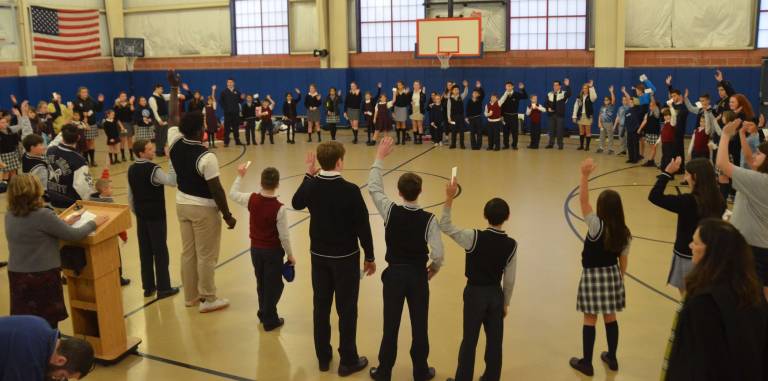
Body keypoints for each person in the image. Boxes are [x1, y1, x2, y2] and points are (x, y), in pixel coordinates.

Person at [291, 141, 375, 377]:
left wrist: (308, 174)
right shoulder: (350, 190)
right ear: (339, 162)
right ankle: (348, 360)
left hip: (319, 256)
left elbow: (296, 203)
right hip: (345, 258)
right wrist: (369, 256)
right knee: (347, 309)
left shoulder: (312, 186)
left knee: (321, 306)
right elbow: (363, 226)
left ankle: (323, 357)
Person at [367, 136, 444, 381]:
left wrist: (380, 157)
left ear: (399, 192)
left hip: (394, 275)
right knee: (420, 324)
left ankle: (384, 370)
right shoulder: (429, 219)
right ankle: (420, 370)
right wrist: (434, 268)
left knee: (390, 324)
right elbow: (438, 253)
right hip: (417, 276)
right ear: (420, 192)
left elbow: (374, 187)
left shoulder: (390, 211)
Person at [167, 70, 237, 313]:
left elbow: (173, 116)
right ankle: (208, 298)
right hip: (203, 209)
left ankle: (191, 296)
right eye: (204, 125)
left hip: (181, 205)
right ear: (199, 131)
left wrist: (174, 89)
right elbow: (216, 190)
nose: (207, 126)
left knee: (188, 253)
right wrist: (227, 216)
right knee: (206, 255)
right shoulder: (207, 157)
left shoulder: (175, 140)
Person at [663, 219, 768, 381]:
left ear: (712, 252)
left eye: (696, 243)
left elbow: (692, 362)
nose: (691, 246)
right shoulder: (753, 291)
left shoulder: (703, 303)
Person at [5, 174, 107, 328]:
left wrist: (62, 223)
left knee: (25, 321)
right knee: (47, 321)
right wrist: (94, 223)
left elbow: (35, 233)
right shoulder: (43, 215)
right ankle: (49, 349)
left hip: (17, 275)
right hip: (41, 275)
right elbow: (75, 235)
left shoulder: (9, 214)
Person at [440, 183, 517, 381]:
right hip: (495, 295)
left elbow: (446, 226)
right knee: (494, 342)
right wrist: (506, 302)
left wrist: (449, 197)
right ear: (507, 217)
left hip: (475, 293)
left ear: (485, 215)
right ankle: (491, 377)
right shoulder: (511, 245)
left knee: (469, 340)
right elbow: (509, 279)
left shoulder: (473, 237)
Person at [569, 158, 631, 376]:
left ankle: (586, 362)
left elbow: (583, 202)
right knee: (610, 317)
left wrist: (584, 176)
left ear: (601, 208)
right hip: (613, 275)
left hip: (592, 276)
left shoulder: (596, 225)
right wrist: (619, 279)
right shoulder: (624, 231)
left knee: (589, 318)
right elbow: (623, 261)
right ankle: (612, 357)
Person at [229, 164, 295, 331]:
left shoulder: (251, 199)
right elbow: (284, 236)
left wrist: (240, 176)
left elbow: (233, 194)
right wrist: (290, 255)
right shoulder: (279, 208)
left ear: (261, 181)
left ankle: (263, 311)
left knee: (261, 282)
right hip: (272, 253)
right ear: (277, 184)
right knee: (275, 286)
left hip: (255, 250)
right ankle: (269, 319)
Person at [649, 157, 726, 295]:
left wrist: (667, 173)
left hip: (686, 255)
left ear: (694, 177)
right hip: (710, 256)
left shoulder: (687, 202)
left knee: (688, 298)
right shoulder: (719, 200)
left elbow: (654, 196)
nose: (685, 177)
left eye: (686, 174)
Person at [716, 118, 768, 300]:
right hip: (762, 245)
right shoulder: (758, 177)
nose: (754, 155)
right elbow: (747, 157)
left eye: (759, 154)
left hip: (751, 248)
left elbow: (722, 165)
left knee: (746, 297)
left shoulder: (759, 181)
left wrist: (724, 136)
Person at [128, 139, 180, 299]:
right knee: (160, 252)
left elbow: (130, 196)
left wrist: (137, 212)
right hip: (156, 217)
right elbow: (172, 182)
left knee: (145, 251)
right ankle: (164, 288)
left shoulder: (131, 169)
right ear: (141, 153)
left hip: (141, 217)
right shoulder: (153, 169)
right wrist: (171, 160)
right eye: (150, 149)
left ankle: (148, 287)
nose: (153, 150)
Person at [0, 315, 96, 381]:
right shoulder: (30, 360)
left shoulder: (42, 326)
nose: (57, 378)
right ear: (60, 361)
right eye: (62, 376)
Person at [46, 124, 94, 209]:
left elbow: (54, 142)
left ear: (62, 136)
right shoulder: (79, 161)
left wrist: (64, 131)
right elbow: (83, 188)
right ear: (78, 138)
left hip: (52, 201)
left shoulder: (50, 150)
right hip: (70, 206)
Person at [72, 87, 104, 166]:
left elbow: (98, 109)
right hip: (81, 125)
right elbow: (74, 114)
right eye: (83, 92)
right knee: (84, 143)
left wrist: (100, 102)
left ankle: (92, 160)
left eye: (86, 92)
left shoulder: (91, 100)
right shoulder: (76, 102)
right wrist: (82, 115)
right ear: (79, 93)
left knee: (91, 142)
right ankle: (86, 160)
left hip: (92, 124)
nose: (85, 93)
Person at [499, 81, 527, 149]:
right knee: (505, 131)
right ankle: (506, 145)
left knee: (514, 131)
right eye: (507, 86)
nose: (508, 87)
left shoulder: (516, 94)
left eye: (509, 86)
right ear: (505, 87)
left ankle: (514, 145)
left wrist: (522, 89)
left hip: (514, 116)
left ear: (512, 86)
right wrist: (501, 115)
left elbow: (525, 96)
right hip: (505, 116)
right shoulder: (504, 95)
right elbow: (501, 106)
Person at [545, 78, 571, 150]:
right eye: (554, 85)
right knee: (551, 130)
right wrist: (548, 108)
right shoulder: (549, 94)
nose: (555, 86)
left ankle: (560, 145)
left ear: (560, 86)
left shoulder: (563, 93)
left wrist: (567, 86)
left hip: (560, 115)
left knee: (560, 131)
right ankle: (551, 144)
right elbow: (546, 103)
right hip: (551, 115)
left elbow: (569, 94)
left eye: (556, 85)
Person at [572, 80, 598, 151]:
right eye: (583, 88)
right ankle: (581, 146)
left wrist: (591, 87)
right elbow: (576, 106)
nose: (585, 89)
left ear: (588, 89)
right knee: (581, 132)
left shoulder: (591, 97)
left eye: (586, 88)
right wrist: (574, 116)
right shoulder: (579, 96)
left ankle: (587, 146)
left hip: (588, 116)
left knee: (588, 132)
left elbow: (595, 97)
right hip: (580, 115)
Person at [219, 78, 244, 147]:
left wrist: (242, 98)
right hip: (227, 113)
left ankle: (237, 141)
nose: (229, 83)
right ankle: (226, 142)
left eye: (231, 82)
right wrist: (225, 109)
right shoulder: (224, 92)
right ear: (227, 83)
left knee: (236, 127)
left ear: (233, 83)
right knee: (227, 128)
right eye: (228, 82)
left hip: (235, 113)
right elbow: (221, 102)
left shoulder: (237, 92)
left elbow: (240, 101)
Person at [638, 96, 661, 166]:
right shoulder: (648, 113)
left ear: (655, 106)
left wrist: (651, 96)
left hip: (654, 133)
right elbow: (645, 121)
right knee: (651, 147)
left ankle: (650, 161)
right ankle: (652, 161)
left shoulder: (657, 112)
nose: (650, 106)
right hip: (648, 132)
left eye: (652, 105)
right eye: (650, 105)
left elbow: (654, 103)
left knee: (653, 147)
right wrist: (639, 129)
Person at [148, 84, 170, 156]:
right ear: (156, 89)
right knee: (159, 134)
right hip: (159, 118)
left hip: (165, 117)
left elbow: (170, 95)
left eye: (162, 89)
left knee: (164, 134)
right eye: (160, 89)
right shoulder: (152, 98)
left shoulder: (162, 96)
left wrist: (178, 94)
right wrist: (159, 120)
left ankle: (162, 149)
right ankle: (158, 151)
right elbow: (154, 111)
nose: (162, 90)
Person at [447, 81, 469, 150]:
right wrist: (449, 118)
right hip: (453, 117)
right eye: (455, 89)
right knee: (453, 131)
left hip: (461, 117)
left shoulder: (461, 97)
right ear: (452, 91)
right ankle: (453, 144)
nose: (457, 90)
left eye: (458, 89)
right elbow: (448, 109)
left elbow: (465, 93)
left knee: (461, 131)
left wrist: (466, 86)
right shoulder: (450, 99)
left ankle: (462, 144)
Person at [114, 92, 135, 162]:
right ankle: (123, 156)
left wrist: (132, 103)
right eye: (122, 96)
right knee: (122, 141)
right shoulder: (116, 106)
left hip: (129, 123)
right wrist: (121, 126)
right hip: (121, 124)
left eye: (125, 96)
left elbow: (132, 111)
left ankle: (131, 155)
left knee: (130, 140)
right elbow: (116, 118)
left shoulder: (129, 104)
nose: (123, 97)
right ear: (119, 97)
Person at [465, 81, 485, 150]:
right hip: (471, 119)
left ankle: (478, 146)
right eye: (474, 93)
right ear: (472, 94)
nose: (475, 94)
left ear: (478, 95)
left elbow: (483, 94)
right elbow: (467, 110)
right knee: (472, 133)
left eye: (476, 93)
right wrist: (467, 117)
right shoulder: (469, 101)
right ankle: (473, 146)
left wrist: (479, 87)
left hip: (478, 118)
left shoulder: (479, 100)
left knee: (479, 132)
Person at [596, 86, 616, 154]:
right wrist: (599, 123)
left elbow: (613, 99)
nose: (605, 101)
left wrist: (611, 92)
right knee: (602, 136)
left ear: (609, 101)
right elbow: (600, 115)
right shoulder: (602, 107)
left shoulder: (611, 106)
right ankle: (601, 147)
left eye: (607, 100)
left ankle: (611, 149)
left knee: (610, 136)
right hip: (602, 123)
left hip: (609, 123)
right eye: (604, 100)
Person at [409, 80, 428, 145]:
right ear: (413, 86)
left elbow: (424, 101)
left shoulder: (422, 93)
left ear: (419, 86)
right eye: (415, 85)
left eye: (417, 85)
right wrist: (410, 102)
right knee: (414, 125)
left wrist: (423, 93)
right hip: (413, 110)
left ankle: (420, 139)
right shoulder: (411, 93)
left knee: (420, 125)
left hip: (419, 110)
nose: (416, 86)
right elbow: (408, 100)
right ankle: (415, 139)